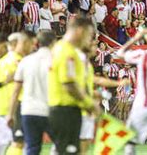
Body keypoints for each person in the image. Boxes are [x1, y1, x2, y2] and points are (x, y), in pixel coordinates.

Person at [48, 17, 100, 155]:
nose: (88, 40)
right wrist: (90, 104)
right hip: (65, 111)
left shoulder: (60, 48)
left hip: (62, 109)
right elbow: (69, 84)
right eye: (89, 35)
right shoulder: (68, 52)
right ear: (80, 31)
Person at [6, 31, 56, 155]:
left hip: (29, 110)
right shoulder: (56, 61)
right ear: (54, 43)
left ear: (37, 43)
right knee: (62, 145)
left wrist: (10, 114)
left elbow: (16, 91)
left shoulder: (25, 61)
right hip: (51, 110)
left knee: (32, 148)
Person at [0, 32, 35, 155]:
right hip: (10, 109)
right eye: (30, 43)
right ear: (17, 44)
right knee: (16, 143)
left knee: (2, 145)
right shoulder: (17, 60)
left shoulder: (2, 60)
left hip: (0, 108)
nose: (32, 47)